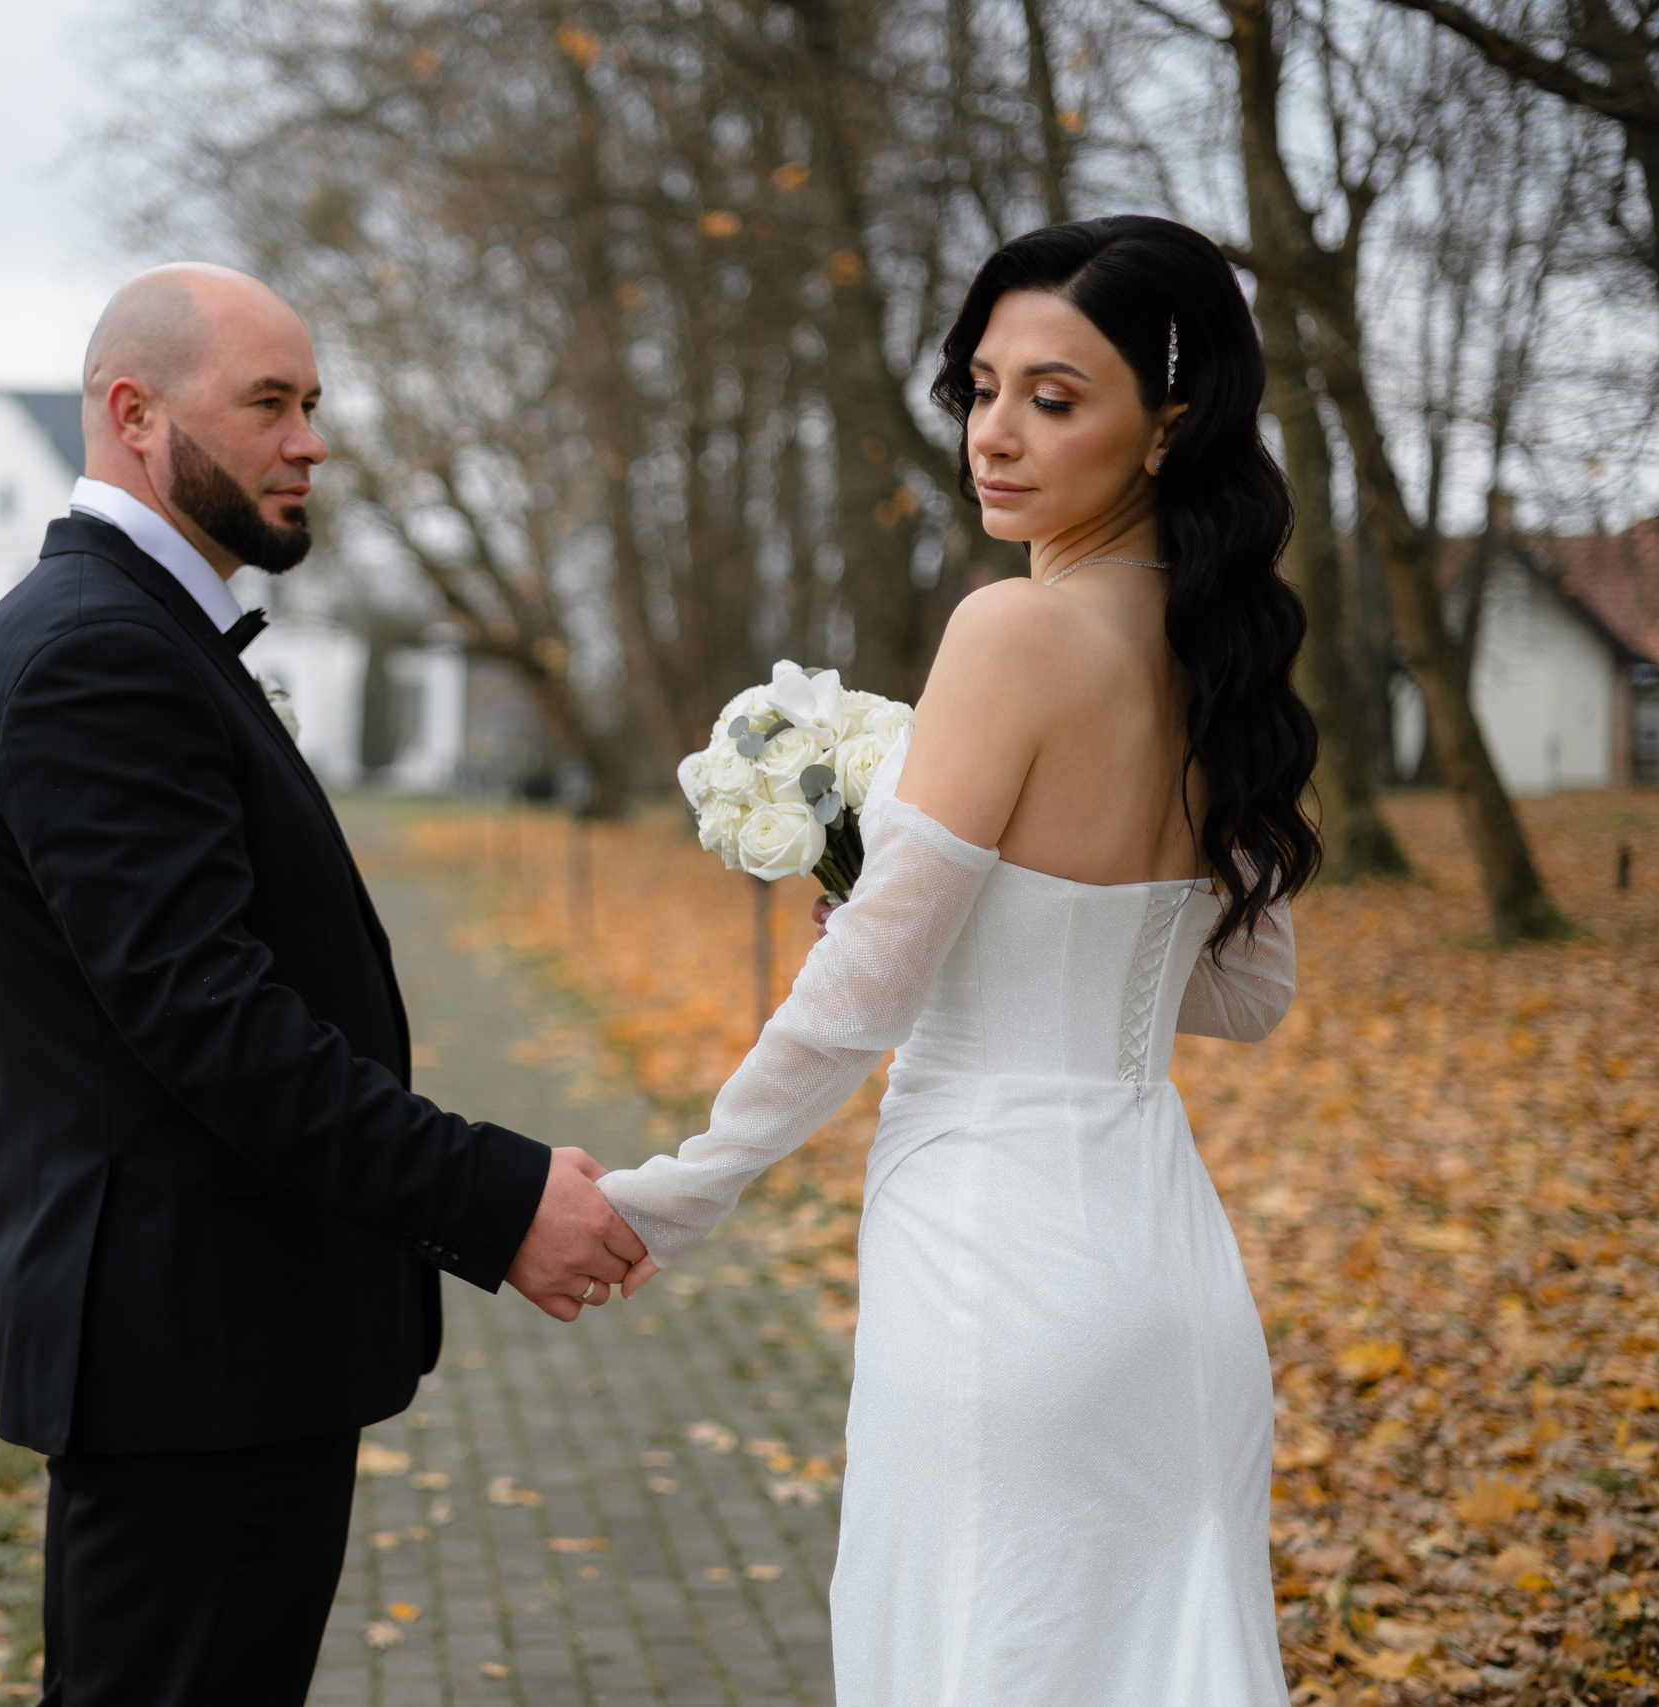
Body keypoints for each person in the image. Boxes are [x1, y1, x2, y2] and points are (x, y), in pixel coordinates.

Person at [601, 216, 1319, 1704]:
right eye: (982, 387)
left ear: (1167, 425)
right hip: (1173, 1287)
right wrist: (973, 923)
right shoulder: (1219, 658)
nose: (996, 434)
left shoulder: (1014, 631)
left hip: (999, 1268)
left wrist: (683, 1188)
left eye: (1054, 399)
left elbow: (868, 992)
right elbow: (1248, 991)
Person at [0, 263, 648, 1706]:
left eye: (312, 403)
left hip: (226, 1355)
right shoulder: (96, 653)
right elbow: (222, 1029)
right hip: (187, 1364)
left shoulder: (138, 631)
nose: (312, 439)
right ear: (134, 415)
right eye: (270, 403)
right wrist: (496, 1198)